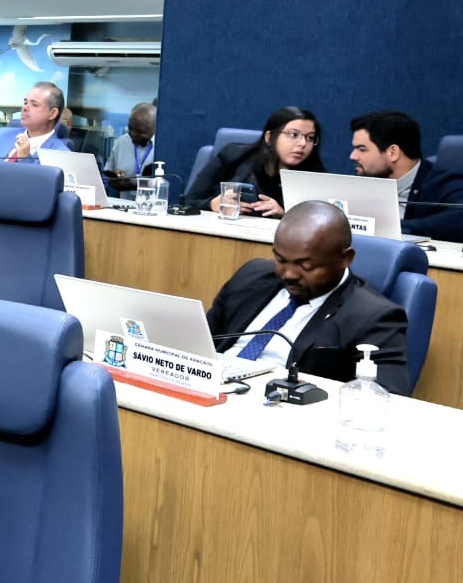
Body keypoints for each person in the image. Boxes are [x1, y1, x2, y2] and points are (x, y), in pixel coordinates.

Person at [206, 201, 409, 394]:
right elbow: (203, 341)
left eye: (306, 265)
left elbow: (387, 396)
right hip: (211, 386)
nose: (289, 274)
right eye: (281, 260)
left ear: (345, 259)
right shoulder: (251, 276)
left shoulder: (374, 317)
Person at [186, 106, 326, 217]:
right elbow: (188, 201)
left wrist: (284, 215)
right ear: (269, 137)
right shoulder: (234, 155)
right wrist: (212, 204)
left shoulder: (314, 175)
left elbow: (323, 222)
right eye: (293, 134)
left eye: (310, 138)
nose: (303, 143)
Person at [349, 110, 463, 241]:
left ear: (393, 152)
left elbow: (459, 219)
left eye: (362, 149)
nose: (353, 156)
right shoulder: (364, 183)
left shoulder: (445, 183)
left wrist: (394, 228)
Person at [0, 82, 73, 161]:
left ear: (52, 114)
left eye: (34, 104)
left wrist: (25, 159)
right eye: (25, 102)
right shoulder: (2, 134)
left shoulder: (61, 156)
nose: (24, 108)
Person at [105, 103, 157, 194]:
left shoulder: (162, 147)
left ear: (154, 127)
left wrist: (135, 185)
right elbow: (109, 174)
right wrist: (115, 181)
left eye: (139, 131)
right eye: (130, 128)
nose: (133, 134)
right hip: (123, 201)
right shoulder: (122, 142)